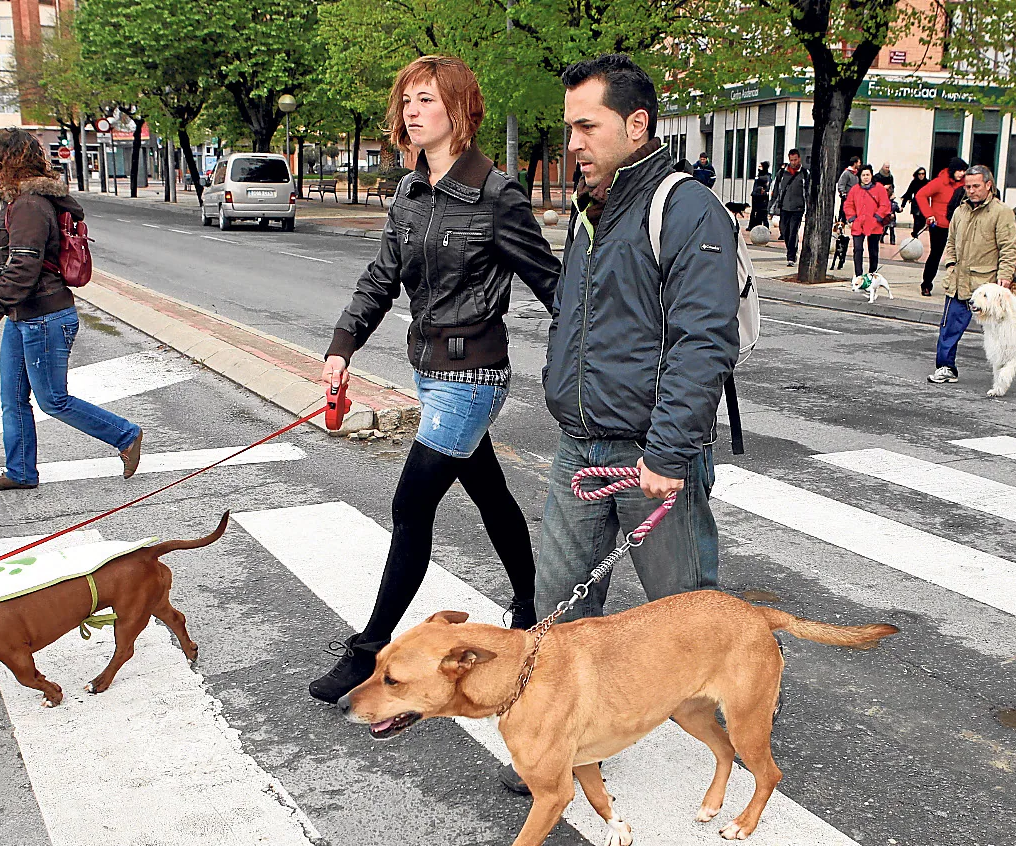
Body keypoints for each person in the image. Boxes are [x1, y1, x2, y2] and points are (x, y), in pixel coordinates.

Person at [308, 56, 560, 702]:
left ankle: (369, 651)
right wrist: (344, 345)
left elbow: (553, 283)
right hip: (428, 370)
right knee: (491, 494)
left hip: (473, 374)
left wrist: (602, 352)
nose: (411, 111)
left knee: (410, 506)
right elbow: (380, 277)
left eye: (425, 99)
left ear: (458, 108)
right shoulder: (410, 192)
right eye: (406, 101)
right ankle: (533, 606)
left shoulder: (496, 194)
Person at [542, 50, 736, 699]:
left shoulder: (686, 209)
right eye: (570, 128)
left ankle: (743, 709)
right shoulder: (588, 211)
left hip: (651, 455)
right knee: (560, 612)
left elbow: (703, 340)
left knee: (686, 616)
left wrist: (671, 450)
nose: (573, 143)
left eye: (587, 127)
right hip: (579, 447)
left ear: (637, 126)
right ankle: (564, 744)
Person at [0, 129, 143, 491]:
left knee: (53, 400)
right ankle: (20, 471)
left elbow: (24, 266)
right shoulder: (19, 202)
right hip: (23, 316)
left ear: (7, 161)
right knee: (12, 399)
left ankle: (126, 435)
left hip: (44, 316)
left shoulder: (30, 204)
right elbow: (0, 265)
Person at [928, 165, 1016, 384]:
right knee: (949, 328)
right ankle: (946, 367)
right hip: (958, 282)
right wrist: (950, 264)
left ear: (988, 185)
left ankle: (1004, 371)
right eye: (968, 186)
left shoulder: (1001, 212)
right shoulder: (960, 211)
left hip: (986, 286)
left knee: (999, 332)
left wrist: (1005, 275)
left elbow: (1008, 246)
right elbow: (950, 242)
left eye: (976, 186)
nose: (971, 190)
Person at [915, 157, 968, 296]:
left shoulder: (965, 185)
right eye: (959, 171)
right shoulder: (939, 182)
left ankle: (956, 286)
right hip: (939, 225)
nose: (962, 174)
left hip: (958, 226)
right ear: (952, 171)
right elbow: (920, 195)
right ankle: (926, 284)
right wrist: (929, 214)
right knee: (935, 255)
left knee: (959, 257)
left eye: (964, 171)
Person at [842, 164, 892, 279]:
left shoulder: (879, 188)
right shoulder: (855, 189)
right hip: (858, 224)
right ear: (860, 176)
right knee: (858, 249)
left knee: (873, 250)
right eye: (863, 175)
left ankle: (872, 274)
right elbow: (848, 205)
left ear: (871, 175)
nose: (866, 177)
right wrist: (852, 218)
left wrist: (877, 217)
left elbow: (885, 204)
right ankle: (858, 275)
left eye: (868, 175)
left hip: (874, 224)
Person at [773, 148, 809, 265]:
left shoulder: (804, 173)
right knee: (785, 231)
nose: (793, 162)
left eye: (795, 159)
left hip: (798, 208)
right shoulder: (782, 173)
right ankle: (790, 250)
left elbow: (807, 191)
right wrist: (773, 205)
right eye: (791, 160)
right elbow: (776, 189)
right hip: (784, 206)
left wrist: (807, 206)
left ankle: (791, 257)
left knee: (793, 231)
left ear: (799, 159)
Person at [902, 167, 929, 236]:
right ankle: (915, 235)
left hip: (925, 204)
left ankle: (914, 233)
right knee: (916, 221)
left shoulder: (927, 182)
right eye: (919, 174)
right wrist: (903, 205)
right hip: (916, 204)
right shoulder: (914, 182)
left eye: (923, 174)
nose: (921, 175)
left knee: (923, 222)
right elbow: (908, 193)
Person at [876, 164, 897, 243]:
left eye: (888, 167)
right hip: (880, 197)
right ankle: (881, 235)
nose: (887, 169)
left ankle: (892, 239)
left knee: (890, 221)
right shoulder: (877, 176)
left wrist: (891, 192)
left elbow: (892, 186)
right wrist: (883, 187)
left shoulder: (890, 176)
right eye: (886, 167)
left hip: (888, 197)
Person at [750, 160, 772, 229]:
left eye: (760, 166)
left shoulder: (766, 176)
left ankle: (765, 227)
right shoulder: (758, 175)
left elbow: (766, 186)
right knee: (754, 211)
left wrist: (763, 192)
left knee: (762, 213)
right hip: (755, 195)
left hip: (762, 197)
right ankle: (752, 226)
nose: (759, 168)